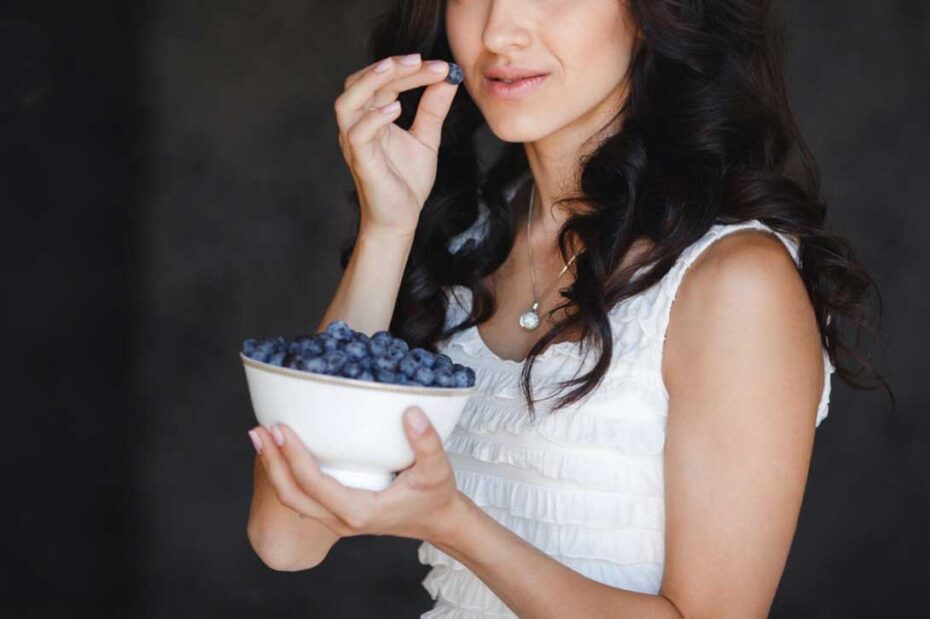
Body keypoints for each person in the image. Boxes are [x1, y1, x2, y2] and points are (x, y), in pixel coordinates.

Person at [245, 0, 888, 616]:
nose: (499, 31)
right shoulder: (469, 247)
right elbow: (287, 539)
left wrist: (454, 523)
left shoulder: (732, 282)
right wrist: (388, 229)